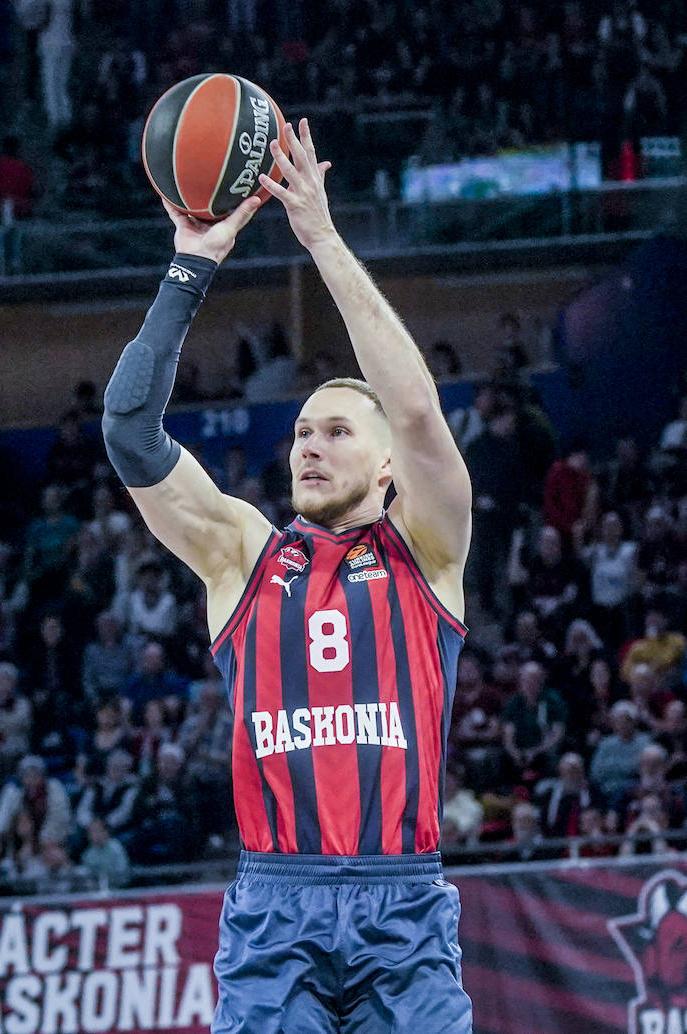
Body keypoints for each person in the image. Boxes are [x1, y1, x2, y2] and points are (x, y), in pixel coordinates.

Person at [101, 119, 472, 1031]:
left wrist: (323, 239)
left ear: (386, 466)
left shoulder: (427, 550)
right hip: (276, 905)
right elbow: (128, 432)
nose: (310, 444)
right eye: (303, 431)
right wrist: (191, 264)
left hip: (405, 903)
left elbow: (419, 414)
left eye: (338, 431)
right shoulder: (241, 553)